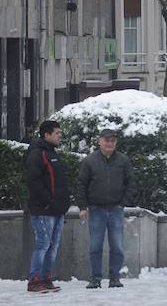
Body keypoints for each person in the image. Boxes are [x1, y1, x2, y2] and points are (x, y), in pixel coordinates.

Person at [78, 129, 135, 289]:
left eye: (113, 141)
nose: (110, 143)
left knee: (117, 246)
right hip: (96, 209)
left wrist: (123, 203)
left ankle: (114, 278)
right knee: (95, 246)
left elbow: (131, 182)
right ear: (100, 141)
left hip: (116, 209)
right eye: (107, 140)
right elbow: (82, 184)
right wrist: (83, 206)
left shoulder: (123, 160)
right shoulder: (90, 160)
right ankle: (95, 278)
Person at [25, 120, 71, 293]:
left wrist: (63, 203)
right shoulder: (37, 154)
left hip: (57, 210)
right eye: (57, 133)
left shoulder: (53, 153)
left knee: (53, 246)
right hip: (43, 209)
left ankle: (46, 278)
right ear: (47, 134)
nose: (60, 135)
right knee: (43, 244)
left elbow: (59, 183)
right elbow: (33, 181)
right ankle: (34, 280)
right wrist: (47, 201)